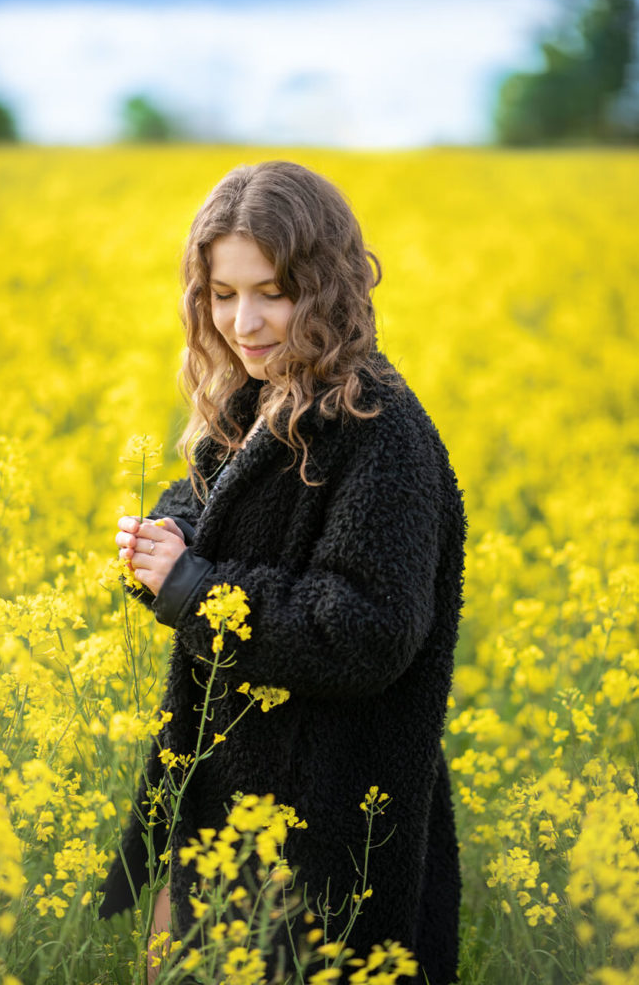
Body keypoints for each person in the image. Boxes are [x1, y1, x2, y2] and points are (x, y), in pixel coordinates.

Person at [98, 160, 466, 985]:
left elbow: (367, 631)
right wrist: (164, 547)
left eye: (271, 292)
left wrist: (196, 589)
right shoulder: (252, 401)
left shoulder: (381, 429)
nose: (243, 321)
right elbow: (198, 505)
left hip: (328, 835)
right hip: (229, 816)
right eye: (222, 296)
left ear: (328, 287)